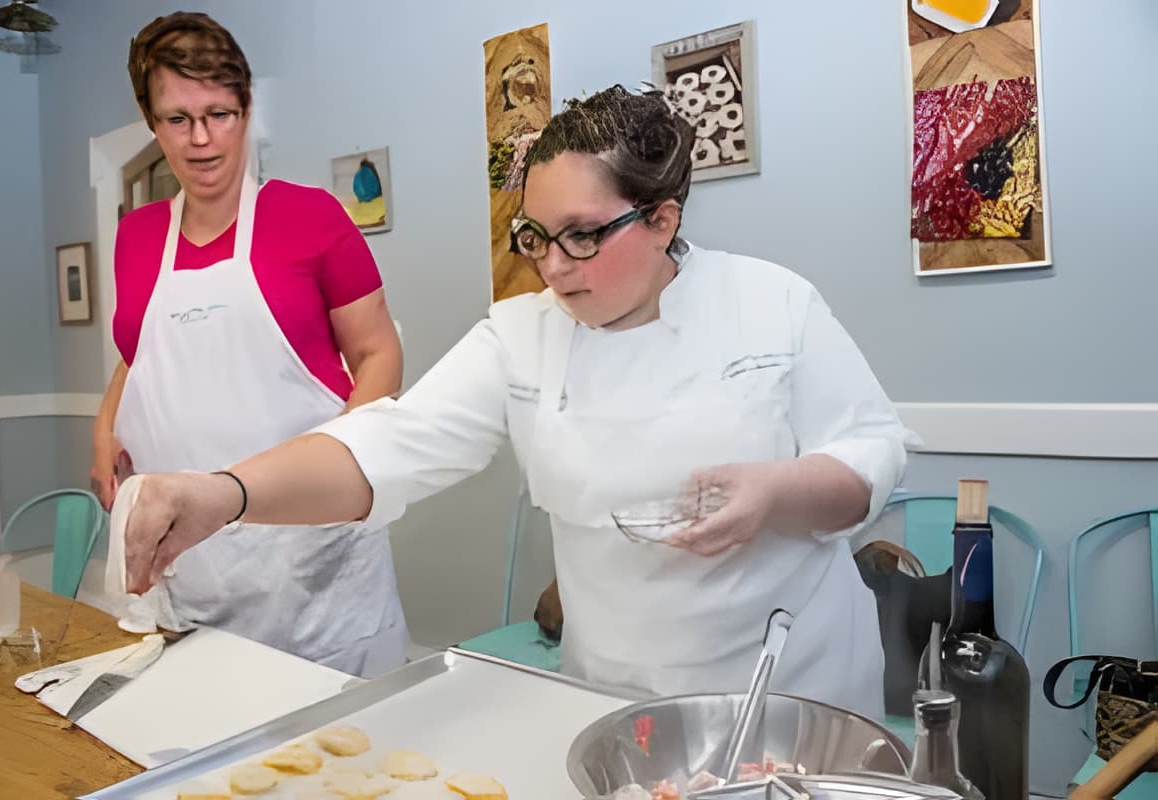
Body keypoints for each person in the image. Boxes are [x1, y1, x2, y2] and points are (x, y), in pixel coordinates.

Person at [120, 85, 906, 718]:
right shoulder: (519, 336)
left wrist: (776, 493)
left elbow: (870, 455)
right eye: (535, 236)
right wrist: (225, 494)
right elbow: (386, 445)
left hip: (794, 697)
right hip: (615, 701)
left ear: (663, 220)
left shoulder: (773, 303)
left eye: (583, 236)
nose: (553, 268)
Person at [89, 12, 407, 676]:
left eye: (219, 114)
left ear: (246, 108)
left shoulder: (312, 218)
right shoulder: (137, 235)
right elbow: (140, 351)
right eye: (178, 119)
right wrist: (103, 426)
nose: (201, 140)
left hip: (309, 564)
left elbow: (379, 354)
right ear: (152, 124)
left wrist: (347, 459)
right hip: (192, 564)